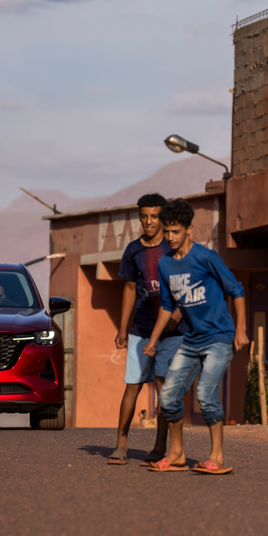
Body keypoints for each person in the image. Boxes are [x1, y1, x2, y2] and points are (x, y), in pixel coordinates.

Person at [144, 199, 247, 474]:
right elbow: (167, 305)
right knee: (168, 397)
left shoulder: (206, 257)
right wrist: (154, 338)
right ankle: (176, 454)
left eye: (175, 231)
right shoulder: (165, 264)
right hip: (192, 340)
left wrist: (241, 329)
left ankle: (218, 457)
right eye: (167, 231)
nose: (170, 237)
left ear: (189, 229)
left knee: (206, 395)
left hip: (219, 337)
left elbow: (236, 290)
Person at [106, 193, 184, 466]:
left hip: (173, 332)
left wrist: (179, 311)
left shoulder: (174, 246)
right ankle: (121, 444)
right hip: (141, 328)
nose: (149, 221)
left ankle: (159, 446)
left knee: (165, 390)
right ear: (139, 216)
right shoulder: (133, 250)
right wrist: (122, 328)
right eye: (144, 216)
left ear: (163, 217)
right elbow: (129, 289)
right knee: (132, 387)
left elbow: (190, 282)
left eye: (154, 216)